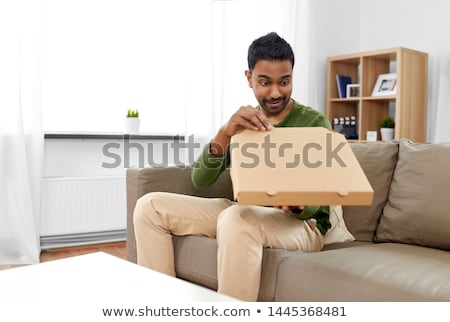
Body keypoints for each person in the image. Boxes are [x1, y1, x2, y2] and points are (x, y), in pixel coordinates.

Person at [133, 32, 331, 301]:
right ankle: (163, 307)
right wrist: (225, 133)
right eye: (265, 82)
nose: (276, 92)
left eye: (284, 82)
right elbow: (200, 179)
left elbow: (317, 205)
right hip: (246, 212)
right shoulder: (245, 121)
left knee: (236, 219)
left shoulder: (314, 122)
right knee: (149, 207)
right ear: (249, 78)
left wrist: (291, 200)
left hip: (303, 224)